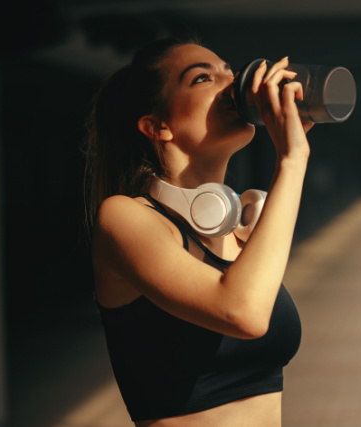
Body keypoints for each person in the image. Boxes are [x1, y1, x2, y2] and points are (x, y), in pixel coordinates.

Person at [84, 37, 311, 426]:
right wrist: (292, 159)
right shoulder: (124, 218)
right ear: (158, 127)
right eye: (203, 78)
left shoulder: (241, 230)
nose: (233, 84)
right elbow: (243, 313)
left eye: (230, 71)